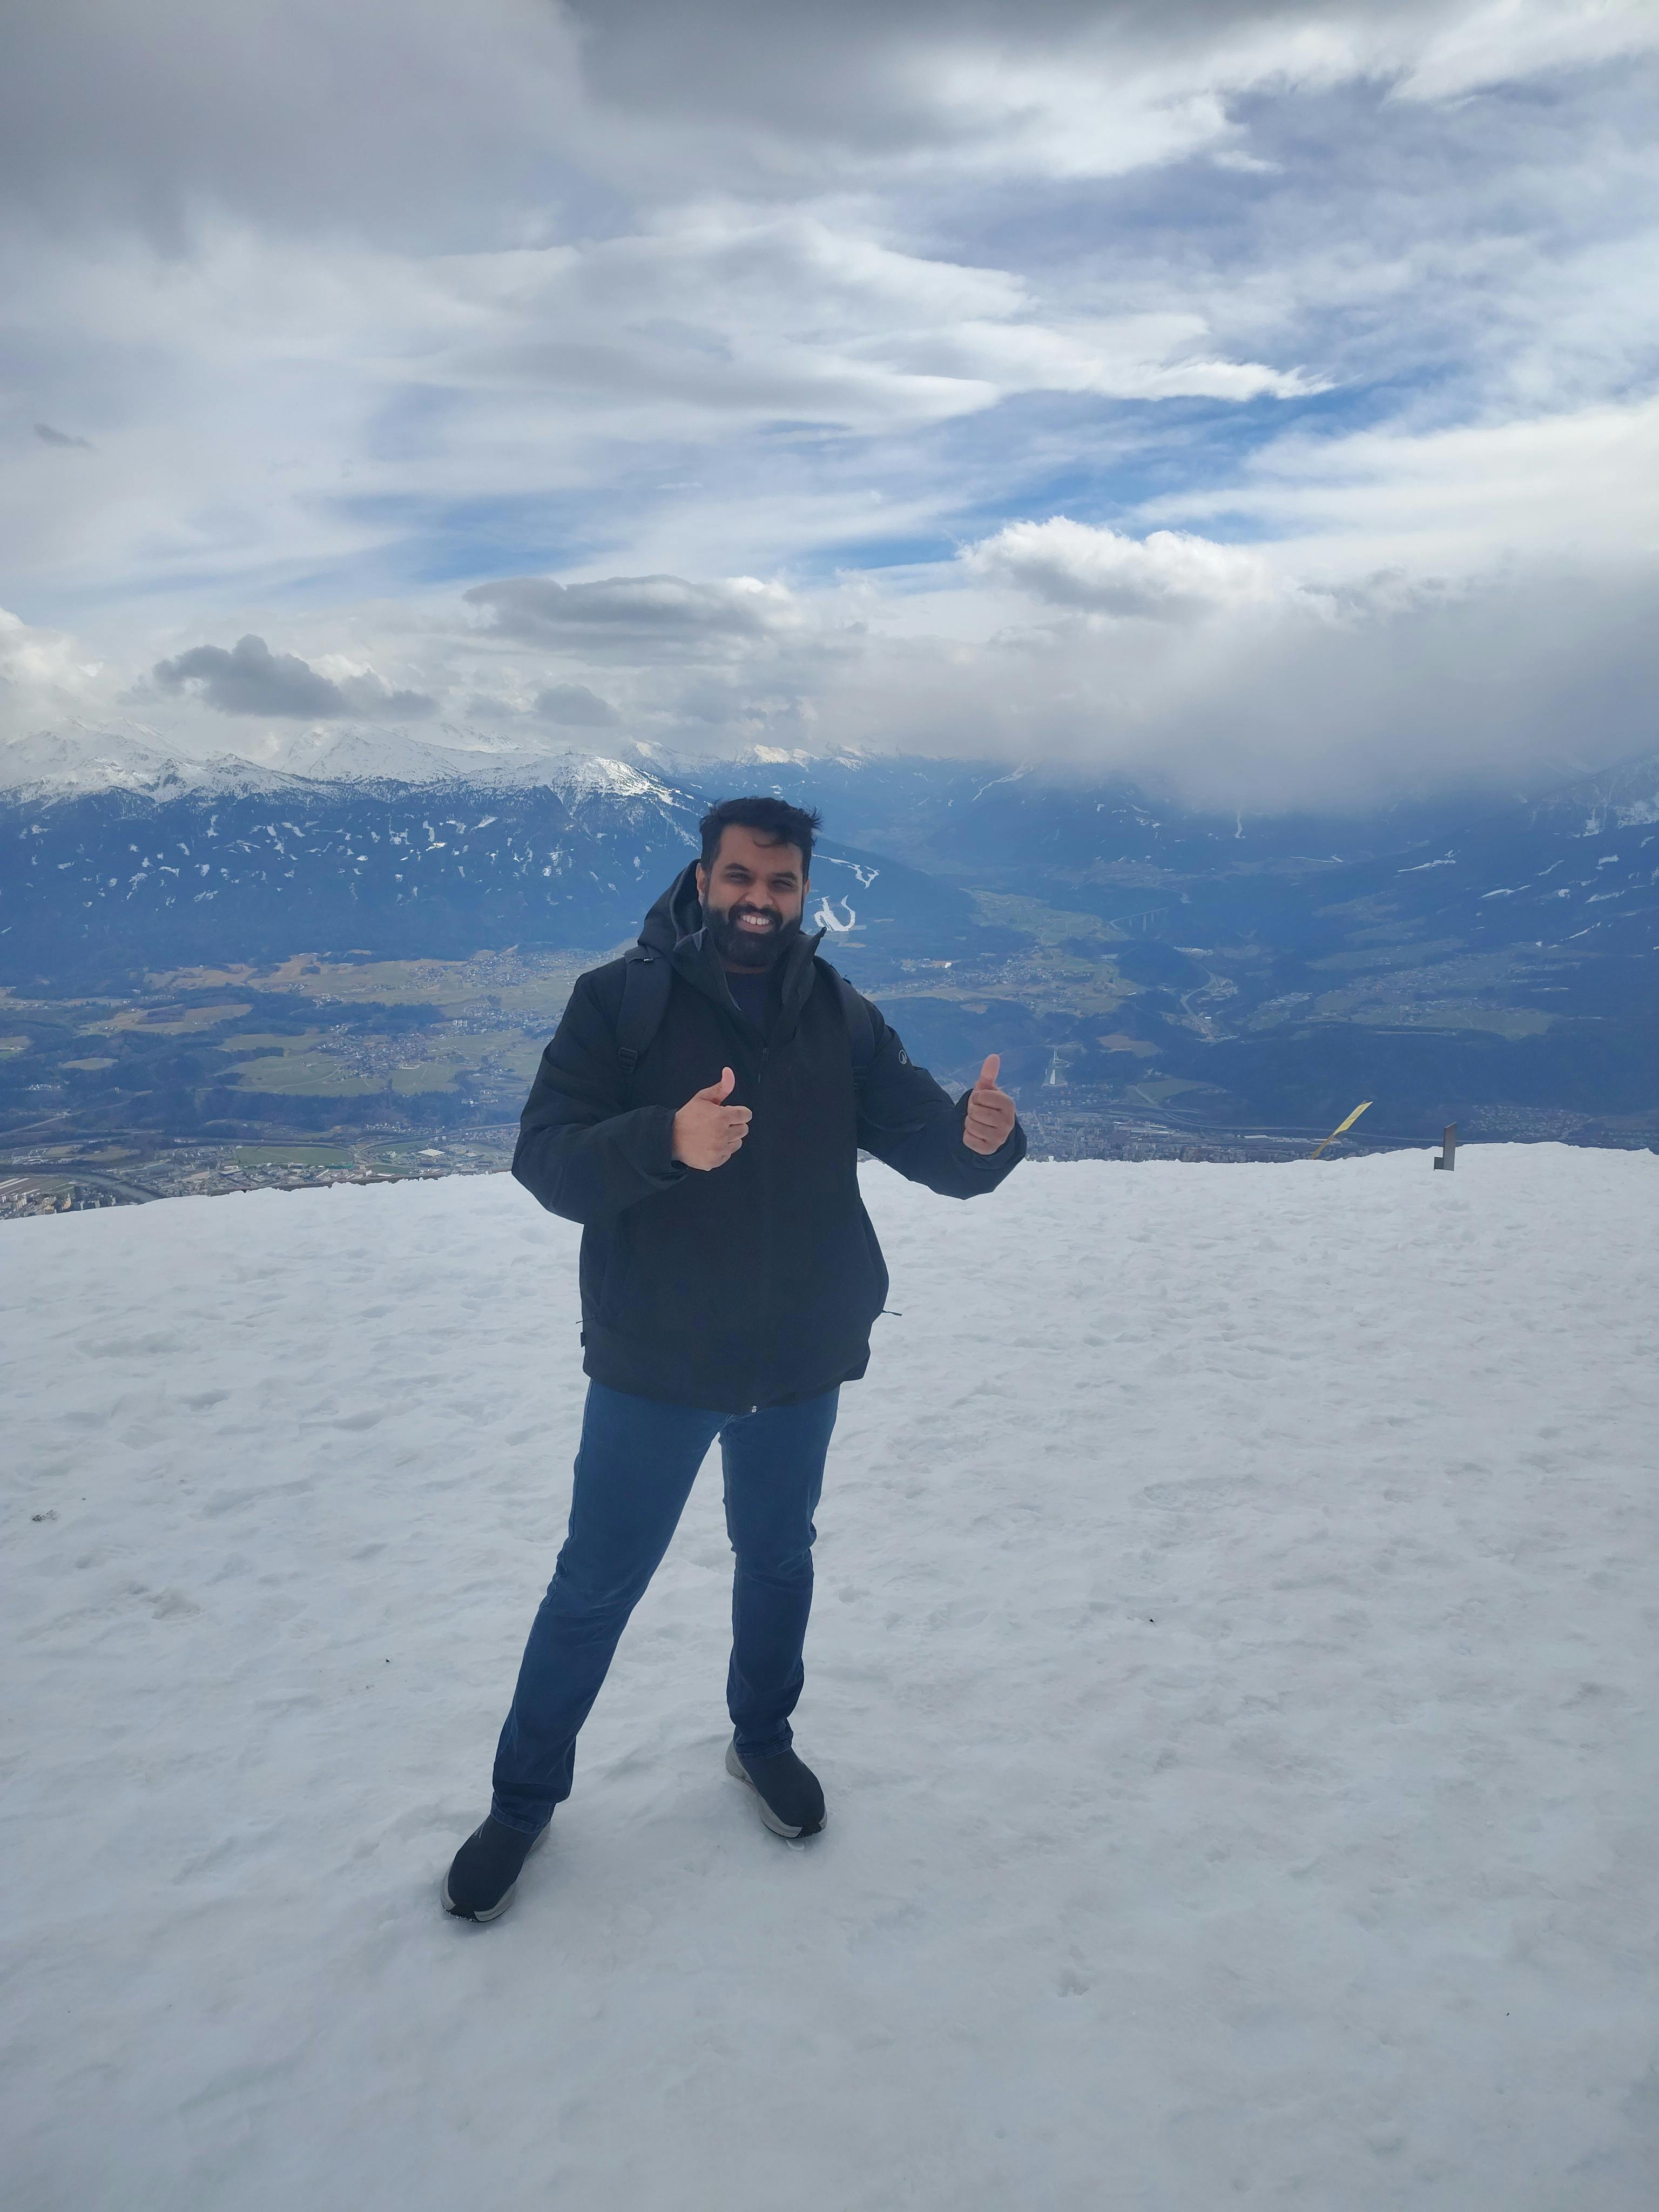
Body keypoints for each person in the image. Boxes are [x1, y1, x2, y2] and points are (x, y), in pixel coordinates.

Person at [442, 794, 1025, 1920]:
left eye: (782, 883)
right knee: (594, 1586)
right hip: (655, 1364)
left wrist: (981, 1139)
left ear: (804, 892)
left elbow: (930, 1143)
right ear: (704, 878)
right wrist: (665, 1137)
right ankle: (522, 1801)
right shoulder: (619, 1004)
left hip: (798, 1357)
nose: (761, 901)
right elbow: (544, 1158)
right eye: (742, 878)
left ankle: (761, 1740)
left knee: (778, 1559)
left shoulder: (837, 1012)